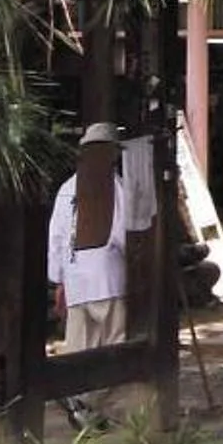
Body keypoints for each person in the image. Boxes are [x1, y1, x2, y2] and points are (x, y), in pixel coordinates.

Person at [46, 123, 157, 423]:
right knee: (112, 346)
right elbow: (125, 234)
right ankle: (88, 404)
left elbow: (56, 238)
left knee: (79, 347)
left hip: (76, 280)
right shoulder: (117, 187)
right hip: (109, 279)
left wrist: (58, 280)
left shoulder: (67, 188)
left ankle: (81, 402)